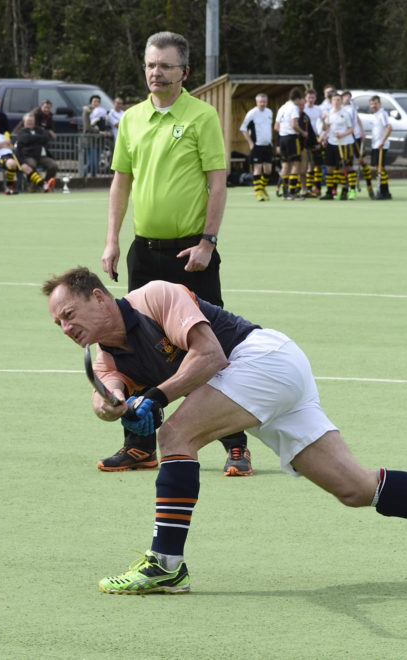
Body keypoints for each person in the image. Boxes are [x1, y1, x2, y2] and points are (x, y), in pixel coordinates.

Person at [43, 266, 407, 594]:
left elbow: (210, 357)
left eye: (70, 314)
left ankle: (165, 565)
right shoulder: (104, 354)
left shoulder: (155, 296)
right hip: (265, 383)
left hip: (262, 358)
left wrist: (159, 397)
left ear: (100, 297)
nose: (65, 327)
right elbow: (105, 392)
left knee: (174, 437)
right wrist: (113, 407)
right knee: (353, 487)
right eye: (57, 322)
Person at [100, 30, 252, 477]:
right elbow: (120, 183)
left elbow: (218, 183)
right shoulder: (131, 119)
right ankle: (140, 444)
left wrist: (208, 241)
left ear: (184, 71)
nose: (155, 72)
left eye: (165, 65)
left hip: (192, 255)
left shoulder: (202, 116)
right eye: (150, 64)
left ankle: (236, 445)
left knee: (213, 348)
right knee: (136, 350)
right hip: (143, 254)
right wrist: (112, 240)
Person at [320, 90, 356, 200]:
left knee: (344, 168)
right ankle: (329, 192)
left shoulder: (345, 114)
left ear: (341, 102)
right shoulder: (329, 113)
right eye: (334, 100)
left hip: (345, 143)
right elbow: (325, 128)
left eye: (338, 100)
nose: (336, 102)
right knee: (329, 167)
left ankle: (348, 190)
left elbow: (351, 129)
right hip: (332, 143)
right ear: (331, 101)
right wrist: (323, 122)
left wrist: (342, 134)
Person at [239, 93, 275, 201]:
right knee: (257, 168)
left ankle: (262, 187)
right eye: (260, 102)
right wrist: (250, 142)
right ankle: (258, 192)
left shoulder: (269, 112)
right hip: (257, 146)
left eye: (264, 102)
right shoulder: (252, 113)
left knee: (268, 170)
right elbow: (243, 128)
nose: (262, 104)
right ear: (257, 102)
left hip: (267, 145)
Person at [11, 112, 57, 192]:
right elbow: (25, 139)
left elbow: (46, 138)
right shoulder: (21, 131)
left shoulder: (40, 130)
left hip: (41, 156)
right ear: (24, 122)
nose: (30, 123)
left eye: (31, 121)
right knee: (32, 165)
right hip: (28, 156)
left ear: (34, 122)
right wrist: (38, 139)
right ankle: (33, 187)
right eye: (28, 121)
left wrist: (32, 139)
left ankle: (45, 184)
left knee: (53, 165)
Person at [275, 87, 305, 200]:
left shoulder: (282, 107)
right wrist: (303, 132)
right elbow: (294, 125)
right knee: (296, 164)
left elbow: (276, 127)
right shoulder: (294, 108)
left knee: (285, 166)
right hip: (291, 138)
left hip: (282, 138)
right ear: (297, 98)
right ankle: (292, 192)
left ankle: (285, 192)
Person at [342, 91, 373, 198]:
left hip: (357, 136)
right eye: (345, 97)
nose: (347, 98)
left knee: (362, 161)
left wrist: (362, 130)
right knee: (348, 165)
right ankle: (351, 190)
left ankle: (370, 187)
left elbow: (357, 119)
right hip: (347, 139)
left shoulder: (353, 107)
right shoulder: (340, 109)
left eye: (349, 97)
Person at [368, 95, 393, 200]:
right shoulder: (375, 115)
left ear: (380, 104)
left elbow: (389, 127)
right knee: (377, 168)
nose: (374, 106)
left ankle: (384, 192)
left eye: (376, 103)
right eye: (372, 104)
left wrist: (382, 141)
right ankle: (384, 191)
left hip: (381, 145)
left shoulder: (382, 114)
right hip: (375, 145)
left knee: (380, 168)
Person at [301, 88, 325, 197]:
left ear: (315, 98)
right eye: (309, 97)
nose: (311, 99)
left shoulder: (318, 109)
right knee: (309, 165)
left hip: (317, 137)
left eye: (313, 97)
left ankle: (318, 187)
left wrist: (323, 136)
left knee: (318, 164)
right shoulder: (303, 109)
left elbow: (324, 125)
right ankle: (309, 187)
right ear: (305, 98)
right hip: (307, 139)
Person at [82, 94, 109, 177]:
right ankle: (82, 176)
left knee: (96, 164)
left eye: (98, 102)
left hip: (99, 141)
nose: (96, 103)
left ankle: (93, 179)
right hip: (90, 140)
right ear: (91, 102)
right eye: (94, 101)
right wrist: (99, 131)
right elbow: (87, 127)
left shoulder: (101, 112)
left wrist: (106, 131)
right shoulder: (87, 111)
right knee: (91, 163)